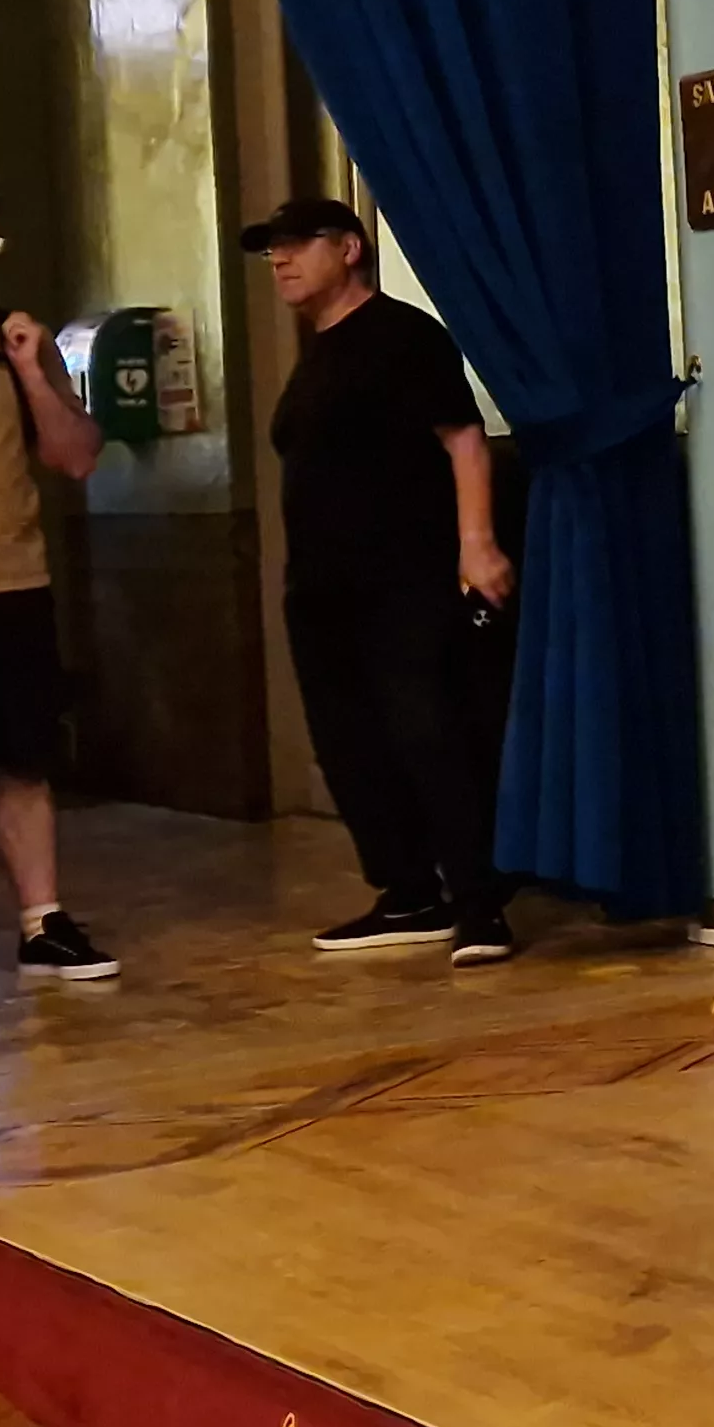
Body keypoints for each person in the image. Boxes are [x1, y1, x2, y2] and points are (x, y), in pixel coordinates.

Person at [246, 199, 521, 965]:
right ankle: (406, 891)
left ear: (350, 249)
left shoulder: (402, 335)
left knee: (429, 731)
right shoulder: (316, 353)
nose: (280, 259)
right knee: (349, 741)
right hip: (320, 584)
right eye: (272, 249)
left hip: (403, 577)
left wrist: (476, 544)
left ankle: (479, 903)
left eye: (298, 244)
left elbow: (463, 438)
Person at [0, 170, 113, 980]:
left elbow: (75, 459)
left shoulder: (15, 340)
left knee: (20, 759)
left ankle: (43, 923)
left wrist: (34, 369)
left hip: (4, 583)